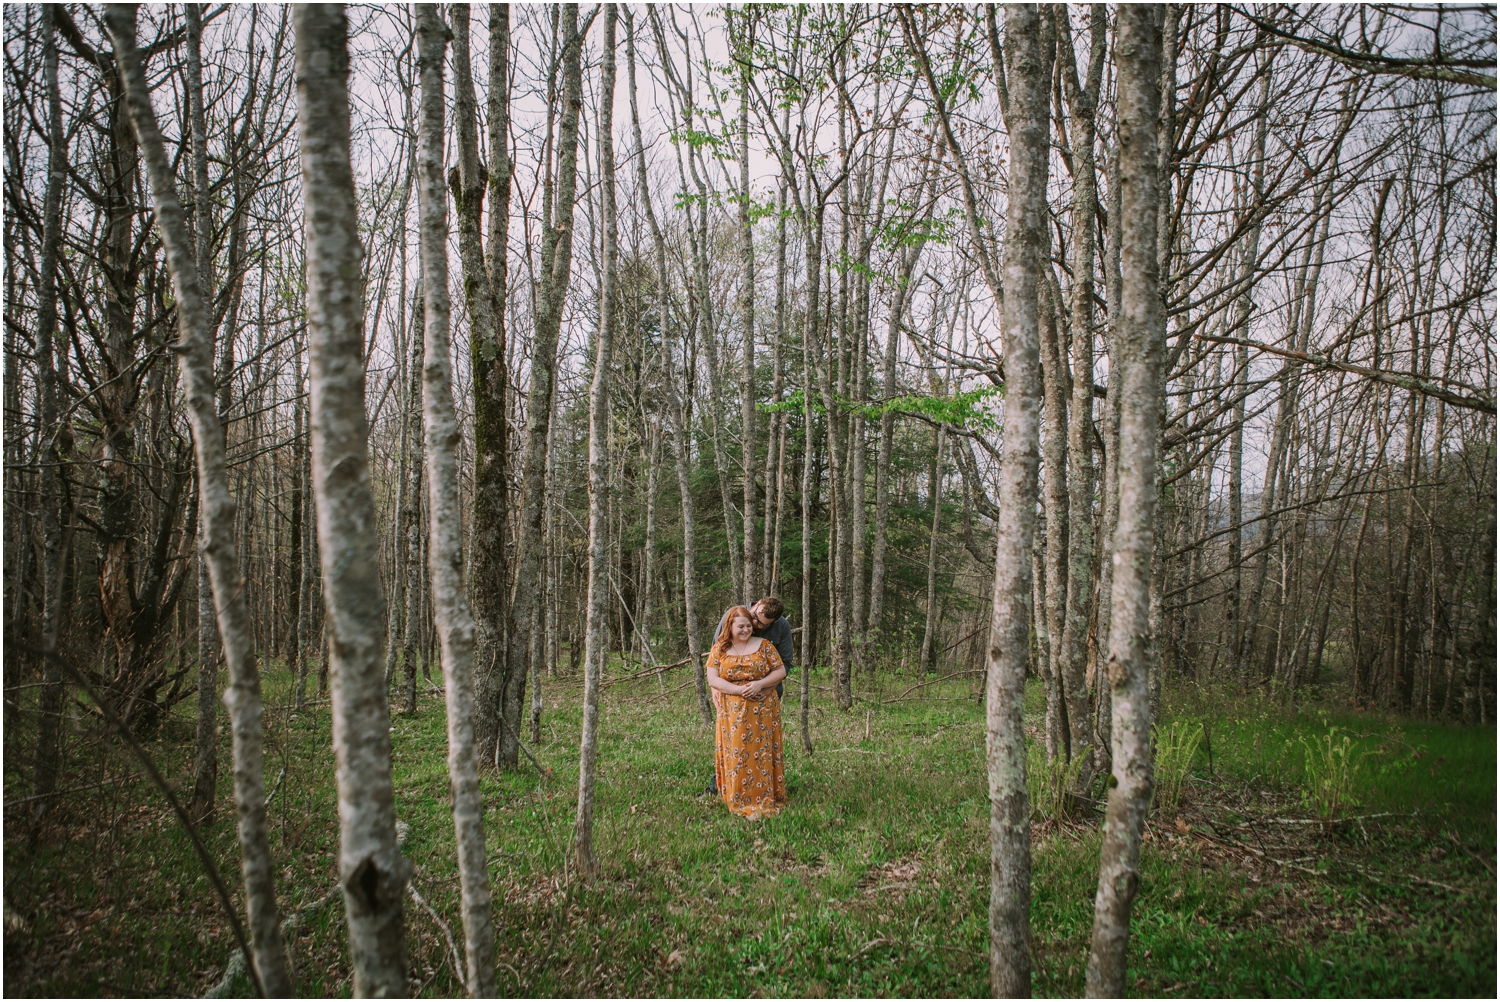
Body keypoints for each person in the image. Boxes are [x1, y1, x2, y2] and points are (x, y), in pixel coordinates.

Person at [704, 596, 793, 796]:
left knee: (761, 746)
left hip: (765, 695)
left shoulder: (780, 629)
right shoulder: (734, 615)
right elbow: (715, 659)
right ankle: (722, 786)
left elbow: (784, 665)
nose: (754, 625)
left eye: (761, 625)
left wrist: (766, 687)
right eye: (754, 618)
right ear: (757, 604)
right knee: (733, 743)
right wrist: (717, 691)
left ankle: (762, 788)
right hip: (730, 699)